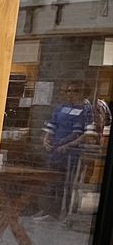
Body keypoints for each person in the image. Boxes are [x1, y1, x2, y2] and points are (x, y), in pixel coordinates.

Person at [41, 82, 93, 218]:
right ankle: (49, 211)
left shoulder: (86, 110)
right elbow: (51, 126)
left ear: (82, 92)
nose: (70, 94)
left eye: (74, 91)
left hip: (70, 153)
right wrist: (46, 140)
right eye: (67, 91)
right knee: (51, 181)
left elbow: (85, 133)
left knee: (67, 183)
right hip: (55, 151)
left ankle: (64, 213)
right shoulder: (61, 108)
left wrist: (68, 145)